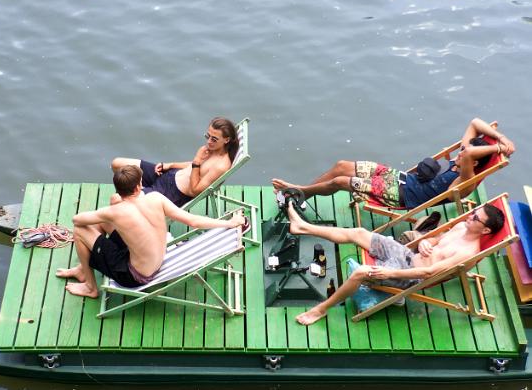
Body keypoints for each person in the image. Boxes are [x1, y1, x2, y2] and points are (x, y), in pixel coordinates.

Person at [285, 200, 505, 326]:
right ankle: (302, 227)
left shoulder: (467, 253)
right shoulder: (461, 227)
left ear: (486, 230)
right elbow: (436, 240)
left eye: (476, 218)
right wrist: (426, 242)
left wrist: (387, 273)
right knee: (358, 232)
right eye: (473, 212)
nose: (470, 216)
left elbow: (429, 273)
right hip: (407, 255)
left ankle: (320, 310)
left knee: (361, 272)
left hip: (409, 276)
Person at [56, 165, 246, 299]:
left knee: (80, 231)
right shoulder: (156, 198)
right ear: (139, 186)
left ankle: (90, 287)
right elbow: (193, 221)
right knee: (104, 222)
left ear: (119, 190)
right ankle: (83, 268)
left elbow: (77, 220)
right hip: (156, 261)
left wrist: (106, 211)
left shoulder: (115, 212)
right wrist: (229, 223)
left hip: (133, 276)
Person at [272, 118, 515, 209]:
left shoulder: (466, 179)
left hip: (400, 196)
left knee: (340, 181)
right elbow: (474, 122)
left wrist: (497, 149)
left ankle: (298, 191)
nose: (460, 154)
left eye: (465, 154)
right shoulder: (462, 159)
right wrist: (502, 139)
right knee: (342, 165)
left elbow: (470, 154)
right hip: (400, 178)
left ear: (474, 162)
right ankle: (303, 194)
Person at [111, 116, 239, 207]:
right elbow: (193, 167)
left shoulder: (220, 166)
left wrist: (197, 161)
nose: (209, 141)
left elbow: (194, 190)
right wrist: (170, 165)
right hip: (168, 175)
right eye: (208, 136)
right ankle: (137, 194)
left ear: (226, 140)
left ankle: (133, 202)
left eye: (214, 139)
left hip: (168, 194)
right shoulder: (213, 149)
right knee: (117, 164)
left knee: (116, 200)